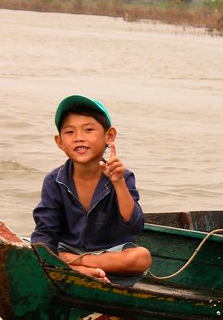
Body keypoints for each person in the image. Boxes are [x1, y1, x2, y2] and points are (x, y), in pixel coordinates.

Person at [31, 94, 152, 283]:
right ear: (60, 142)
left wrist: (118, 183)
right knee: (36, 249)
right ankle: (75, 268)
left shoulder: (123, 176)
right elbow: (45, 230)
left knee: (141, 257)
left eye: (88, 130)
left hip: (110, 257)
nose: (79, 138)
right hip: (67, 251)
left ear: (109, 136)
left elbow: (135, 225)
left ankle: (74, 266)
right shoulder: (54, 181)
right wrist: (45, 253)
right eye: (70, 132)